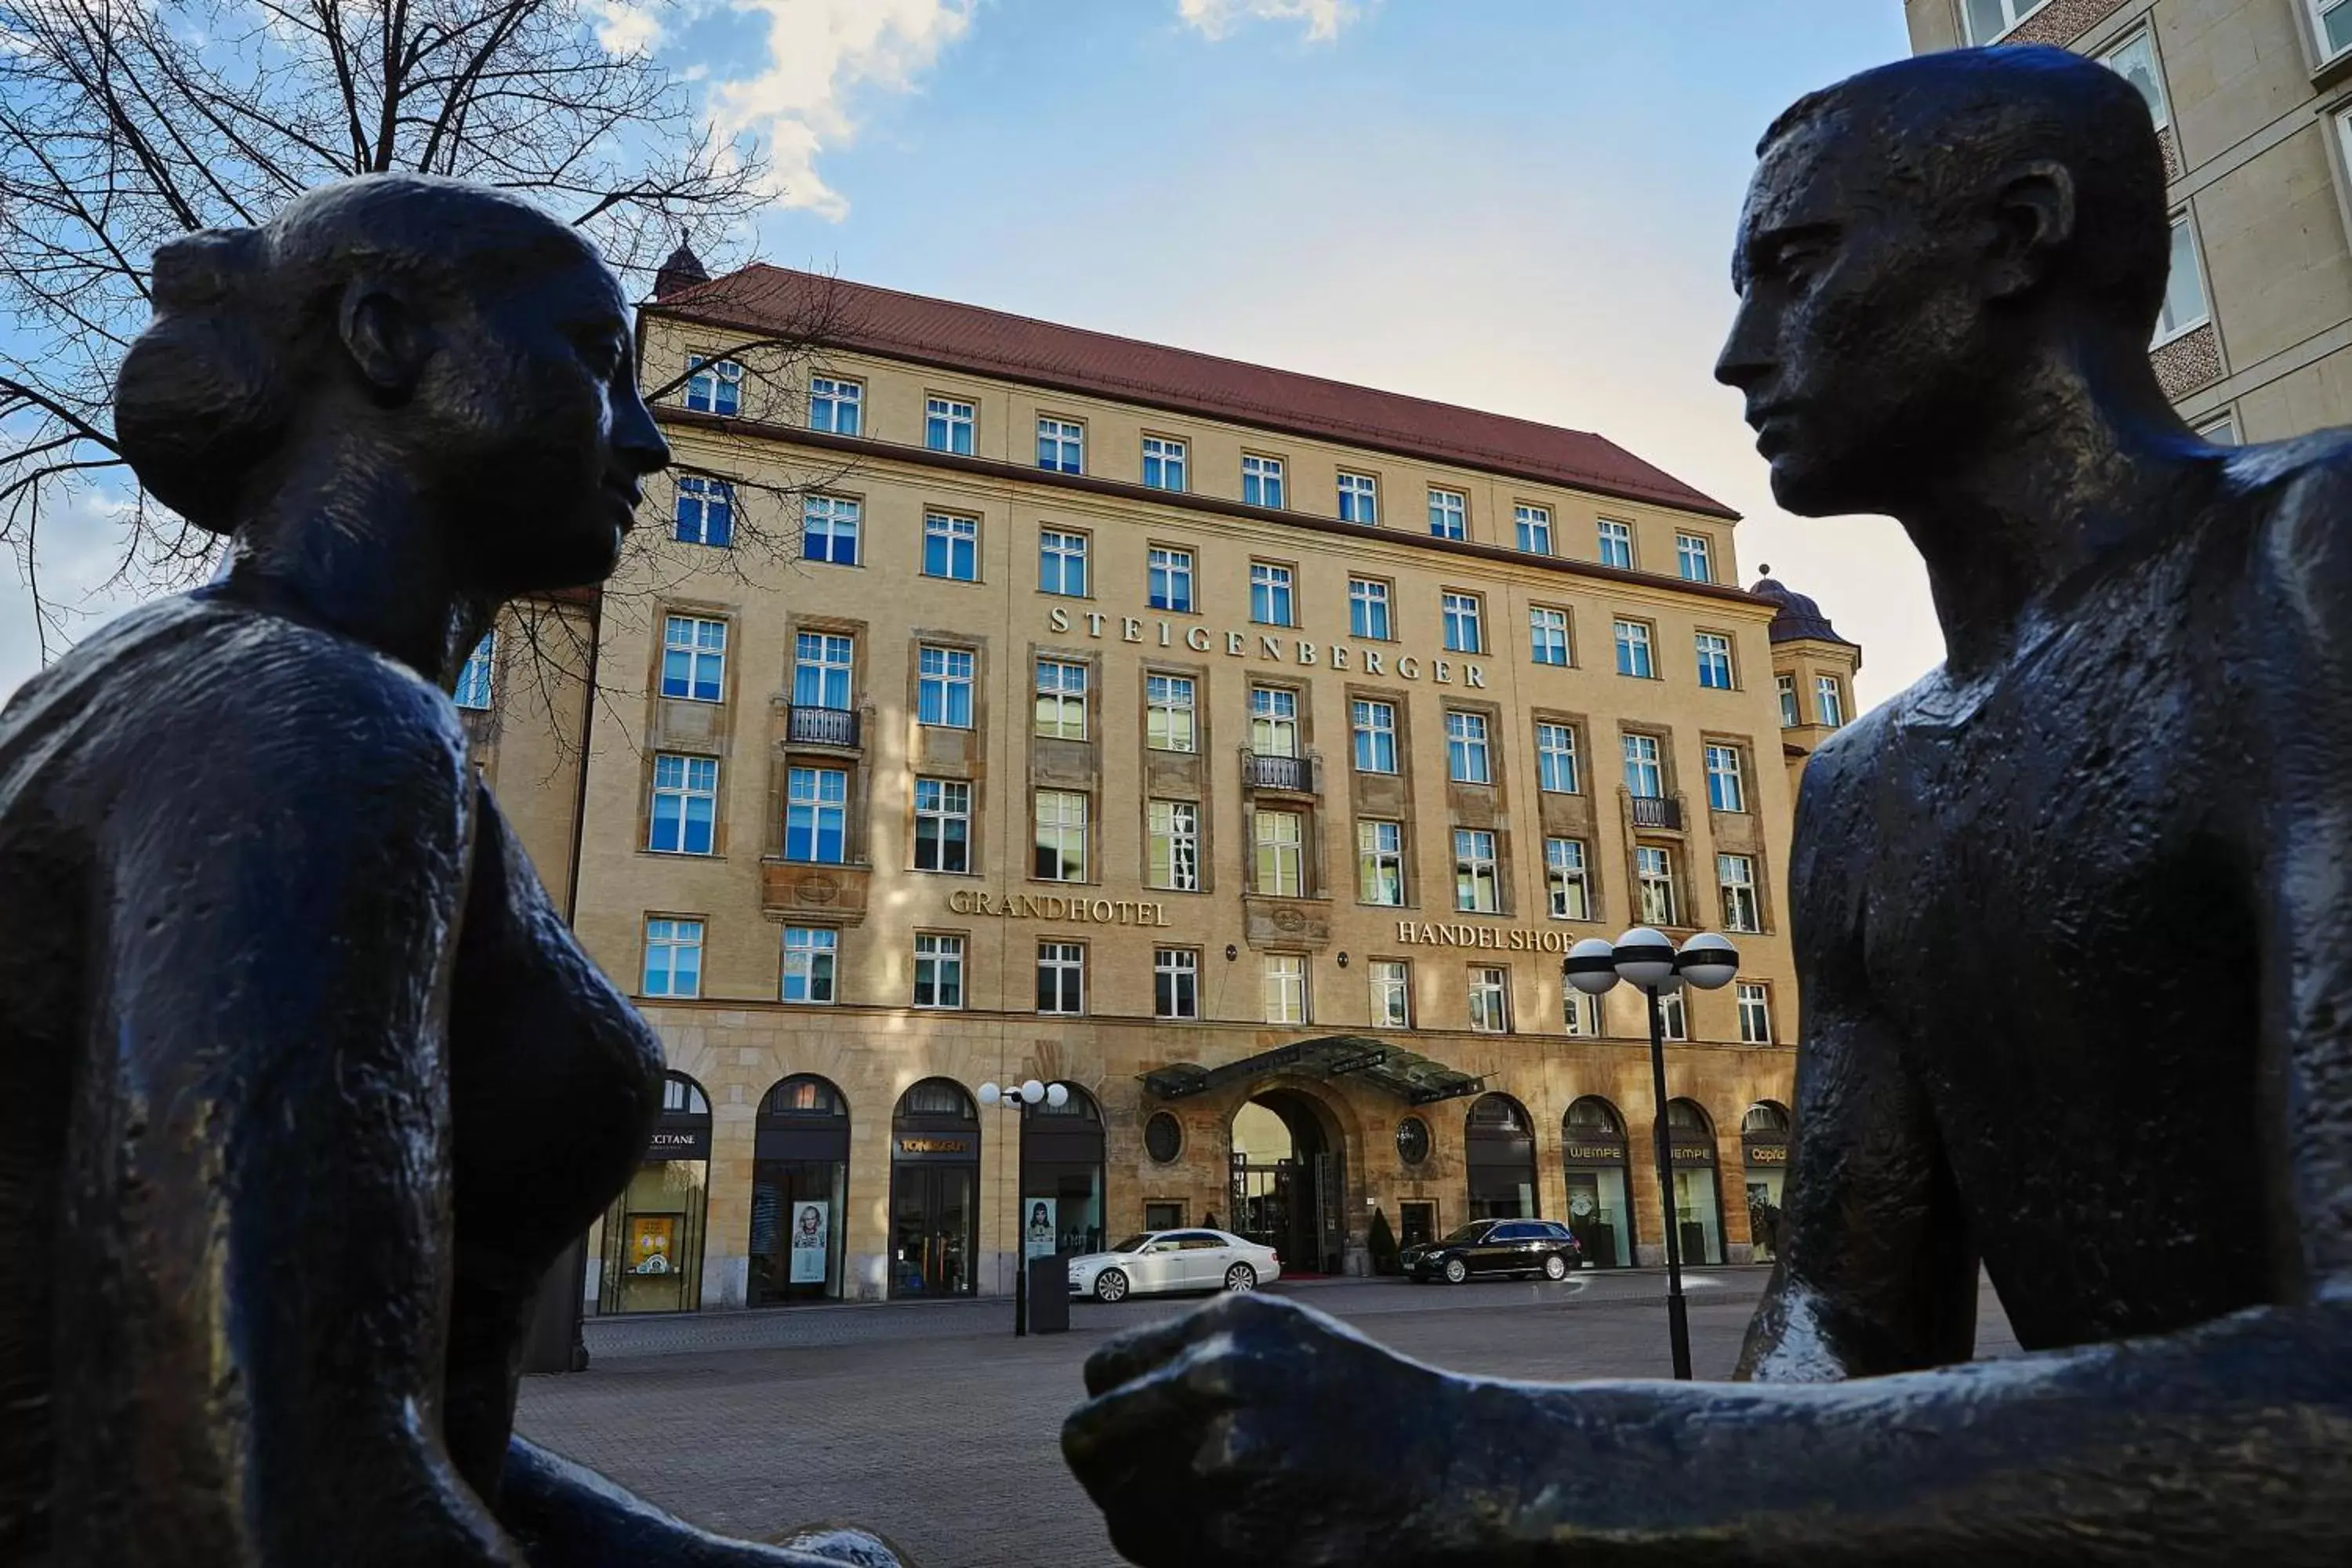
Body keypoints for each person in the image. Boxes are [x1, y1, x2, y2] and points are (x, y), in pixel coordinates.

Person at [1062, 46, 2352, 1564]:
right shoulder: (1871, 787)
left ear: (2020, 236)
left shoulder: (2305, 569)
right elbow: (1836, 1346)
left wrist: (1476, 1457)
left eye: (1796, 267)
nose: (1740, 352)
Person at [0, 175, 905, 1566]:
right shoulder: (315, 726)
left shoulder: (175, 681)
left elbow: (359, 1407)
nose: (651, 445)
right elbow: (273, 1500)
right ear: (385, 338)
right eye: (602, 366)